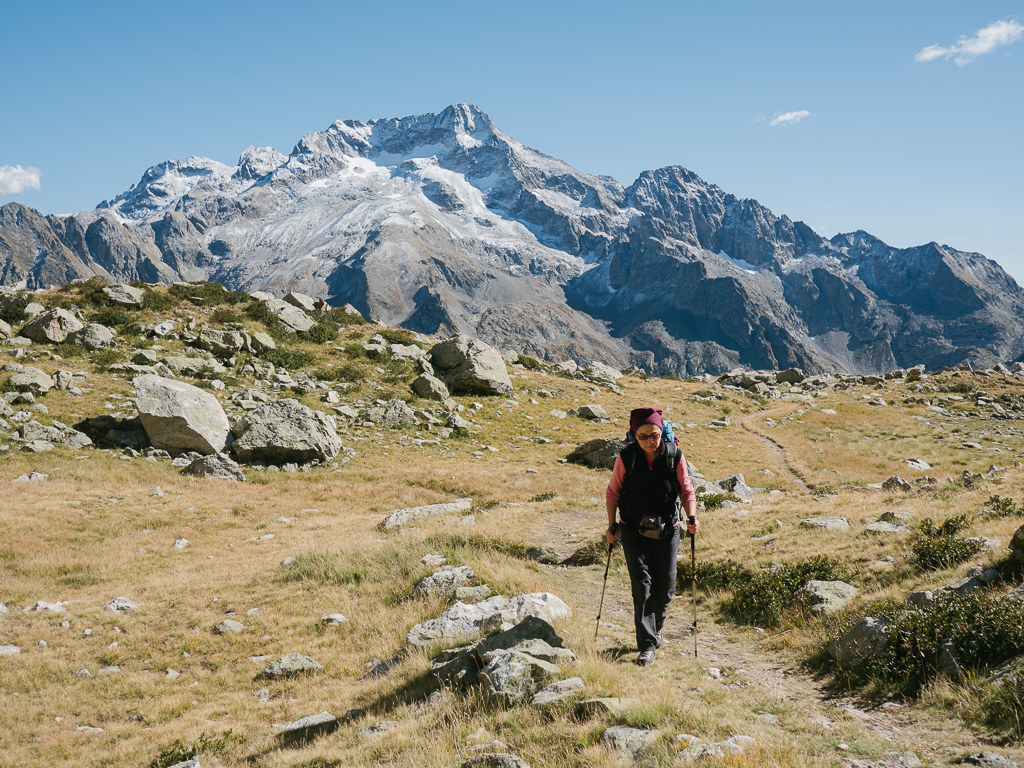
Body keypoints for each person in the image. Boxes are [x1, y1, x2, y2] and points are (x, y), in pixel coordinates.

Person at [605, 407, 699, 666]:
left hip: (668, 529)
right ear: (634, 435)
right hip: (632, 529)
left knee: (666, 586)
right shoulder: (626, 457)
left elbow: (686, 490)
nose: (649, 441)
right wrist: (611, 524)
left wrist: (692, 517)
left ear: (662, 433)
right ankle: (647, 644)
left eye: (654, 435)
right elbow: (613, 492)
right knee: (642, 586)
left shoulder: (674, 456)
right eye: (643, 436)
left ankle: (656, 627)